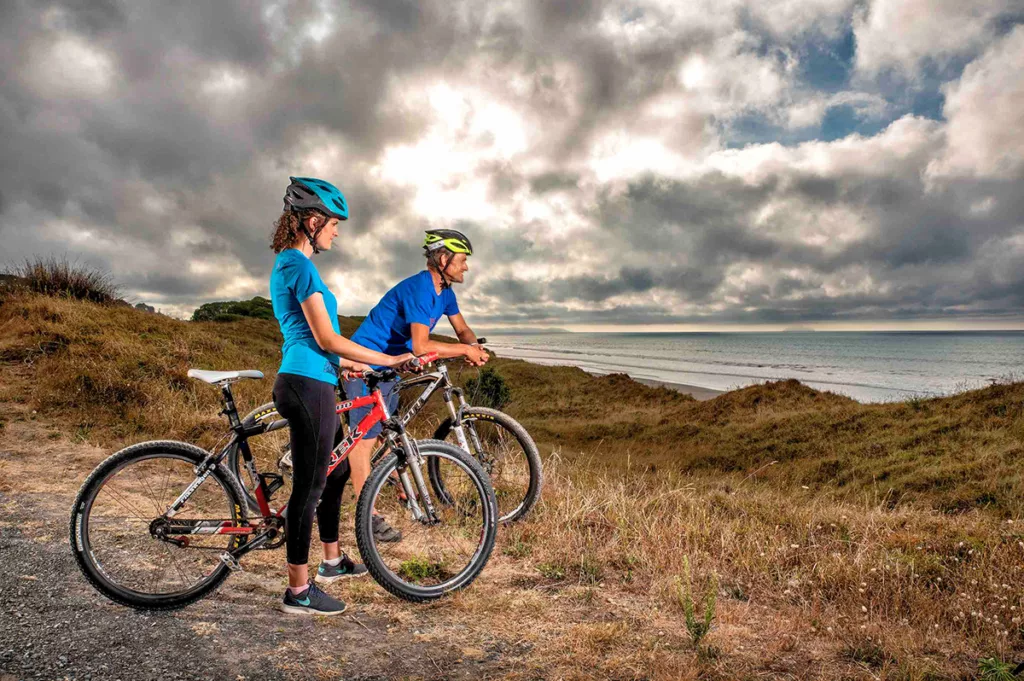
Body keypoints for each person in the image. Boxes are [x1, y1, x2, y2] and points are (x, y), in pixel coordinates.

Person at [269, 176, 417, 616]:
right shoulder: (298, 266)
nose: (337, 231)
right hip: (305, 383)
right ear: (313, 221)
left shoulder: (295, 265)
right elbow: (327, 338)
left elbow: (318, 343)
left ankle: (331, 561)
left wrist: (349, 365)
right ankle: (298, 592)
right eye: (334, 223)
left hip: (316, 377)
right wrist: (386, 360)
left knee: (333, 475)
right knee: (309, 488)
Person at [342, 228, 490, 542]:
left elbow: (462, 329)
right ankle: (367, 516)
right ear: (443, 258)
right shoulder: (421, 289)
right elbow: (421, 346)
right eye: (462, 260)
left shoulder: (445, 292)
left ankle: (395, 481)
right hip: (365, 364)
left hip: (390, 365)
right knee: (363, 442)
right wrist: (464, 351)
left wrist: (475, 348)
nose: (466, 267)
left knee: (389, 431)